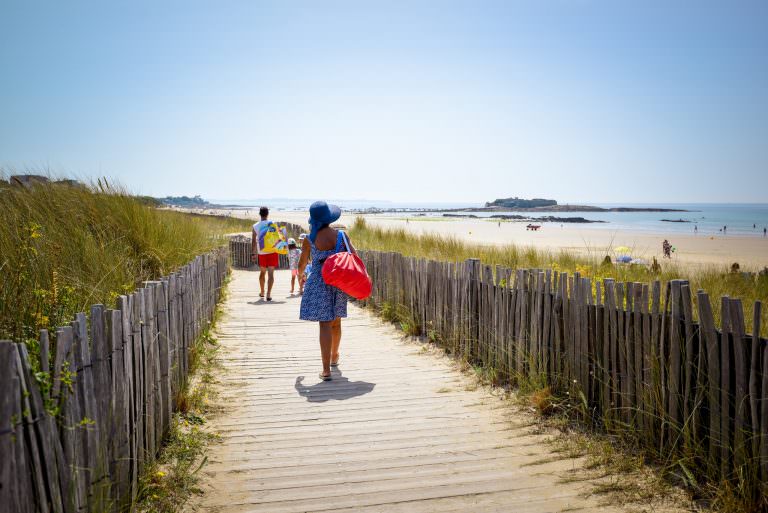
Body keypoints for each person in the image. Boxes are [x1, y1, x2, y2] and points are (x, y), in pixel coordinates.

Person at [298, 201, 355, 381]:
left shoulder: (309, 239)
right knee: (336, 322)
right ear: (329, 218)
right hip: (338, 282)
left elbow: (302, 264)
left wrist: (301, 275)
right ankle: (334, 356)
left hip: (319, 282)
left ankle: (326, 370)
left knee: (324, 324)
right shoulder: (341, 236)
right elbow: (355, 258)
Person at [251, 206, 278, 301]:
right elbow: (277, 237)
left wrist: (253, 253)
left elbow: (254, 241)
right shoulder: (273, 224)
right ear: (267, 214)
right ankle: (268, 294)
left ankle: (262, 291)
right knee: (271, 274)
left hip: (261, 252)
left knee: (262, 272)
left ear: (260, 214)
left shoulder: (255, 226)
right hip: (272, 251)